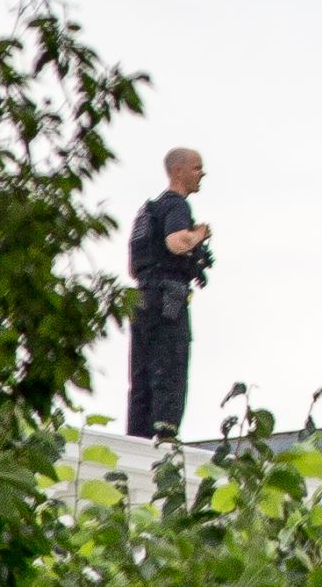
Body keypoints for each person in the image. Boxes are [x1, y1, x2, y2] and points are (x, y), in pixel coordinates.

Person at [126, 146, 213, 438]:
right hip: (168, 301)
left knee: (141, 377)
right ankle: (165, 436)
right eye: (196, 168)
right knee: (170, 369)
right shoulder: (177, 206)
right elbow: (176, 243)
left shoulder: (146, 212)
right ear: (178, 171)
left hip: (140, 300)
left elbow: (132, 267)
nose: (202, 173)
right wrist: (199, 234)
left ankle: (135, 439)